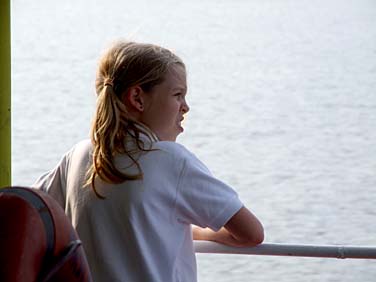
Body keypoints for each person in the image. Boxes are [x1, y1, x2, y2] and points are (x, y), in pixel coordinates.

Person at [33, 41, 264, 282]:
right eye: (178, 95)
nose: (186, 107)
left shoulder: (77, 156)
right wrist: (196, 233)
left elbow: (31, 212)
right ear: (137, 98)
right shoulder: (172, 161)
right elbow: (252, 233)